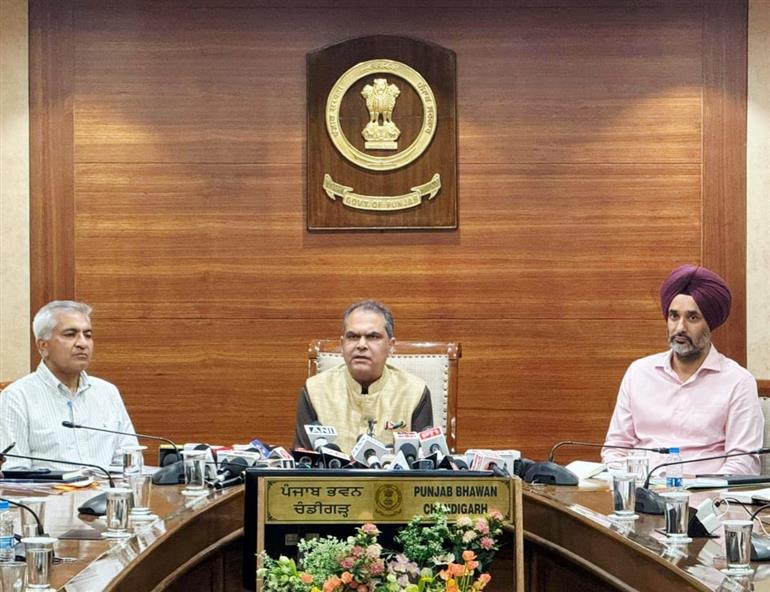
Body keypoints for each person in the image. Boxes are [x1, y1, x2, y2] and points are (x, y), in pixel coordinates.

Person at [602, 265, 764, 475]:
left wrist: (691, 486)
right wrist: (628, 482)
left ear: (711, 323)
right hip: (640, 491)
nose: (680, 328)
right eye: (674, 316)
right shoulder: (638, 373)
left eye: (692, 318)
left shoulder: (738, 382)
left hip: (706, 494)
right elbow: (615, 449)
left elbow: (743, 464)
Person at [0, 300, 138, 471]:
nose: (82, 343)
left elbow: (131, 461)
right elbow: (13, 472)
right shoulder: (17, 397)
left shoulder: (107, 392)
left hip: (106, 488)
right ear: (43, 346)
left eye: (88, 335)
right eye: (70, 334)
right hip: (50, 489)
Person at [293, 300, 433, 453]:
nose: (361, 345)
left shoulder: (414, 392)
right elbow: (303, 459)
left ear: (390, 346)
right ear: (342, 345)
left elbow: (423, 460)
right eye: (353, 337)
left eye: (372, 337)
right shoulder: (315, 390)